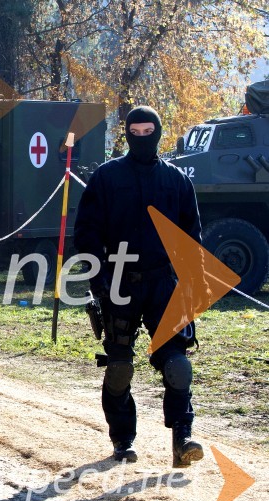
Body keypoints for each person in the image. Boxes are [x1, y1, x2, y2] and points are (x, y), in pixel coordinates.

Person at [73, 106, 205, 468]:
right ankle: (123, 441)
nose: (143, 138)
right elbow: (86, 232)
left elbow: (191, 237)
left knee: (177, 366)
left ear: (159, 133)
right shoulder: (107, 177)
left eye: (149, 132)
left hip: (165, 283)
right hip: (119, 282)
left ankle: (183, 437)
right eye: (136, 132)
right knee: (120, 367)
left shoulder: (177, 180)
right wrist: (97, 278)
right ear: (127, 134)